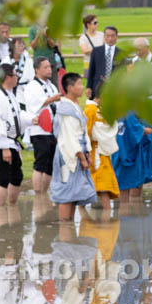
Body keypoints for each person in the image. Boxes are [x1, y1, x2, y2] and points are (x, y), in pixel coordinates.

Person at [50, 72, 97, 220]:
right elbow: (69, 137)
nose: (82, 88)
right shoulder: (65, 109)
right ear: (70, 88)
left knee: (74, 190)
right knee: (66, 192)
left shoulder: (75, 106)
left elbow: (83, 132)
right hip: (68, 154)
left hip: (79, 151)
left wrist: (88, 153)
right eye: (79, 84)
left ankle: (69, 227)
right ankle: (65, 228)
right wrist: (81, 156)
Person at [0, 64, 24, 206]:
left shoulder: (10, 94)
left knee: (17, 176)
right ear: (8, 77)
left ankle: (12, 206)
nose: (17, 78)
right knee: (4, 177)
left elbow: (15, 116)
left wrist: (30, 120)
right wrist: (4, 147)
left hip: (11, 141)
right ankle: (1, 209)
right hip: (0, 143)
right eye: (15, 75)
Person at [21, 56, 61, 194]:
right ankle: (38, 192)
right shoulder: (32, 86)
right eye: (45, 67)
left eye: (50, 66)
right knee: (40, 163)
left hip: (53, 129)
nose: (49, 69)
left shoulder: (51, 85)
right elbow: (33, 105)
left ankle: (44, 191)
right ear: (37, 69)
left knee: (50, 163)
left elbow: (58, 104)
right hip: (39, 129)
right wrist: (52, 99)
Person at [114, 110, 152, 205]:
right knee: (127, 187)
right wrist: (146, 130)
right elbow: (136, 128)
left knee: (127, 187)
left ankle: (131, 210)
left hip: (121, 151)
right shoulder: (128, 113)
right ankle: (129, 212)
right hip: (127, 154)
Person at [84, 93, 119, 211]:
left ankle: (105, 214)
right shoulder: (90, 109)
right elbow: (86, 132)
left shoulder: (99, 109)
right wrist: (86, 152)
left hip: (103, 152)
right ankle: (106, 214)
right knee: (102, 187)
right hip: (95, 153)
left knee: (102, 186)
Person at [86, 26, 120, 99]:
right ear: (104, 37)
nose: (110, 38)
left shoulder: (121, 53)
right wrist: (88, 86)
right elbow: (91, 70)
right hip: (98, 87)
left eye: (112, 36)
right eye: (108, 36)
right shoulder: (96, 51)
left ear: (117, 37)